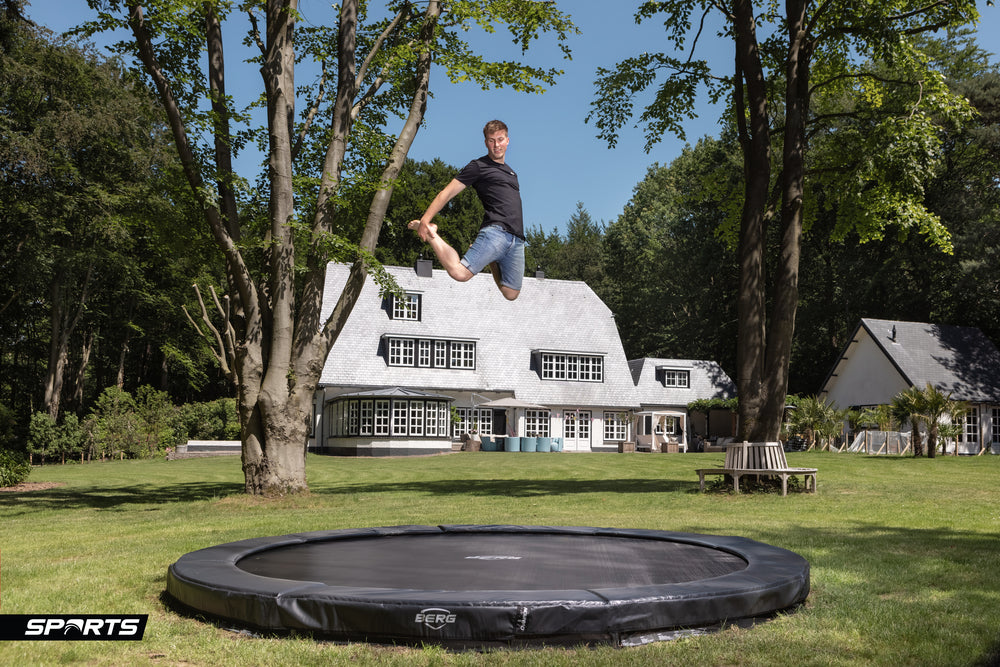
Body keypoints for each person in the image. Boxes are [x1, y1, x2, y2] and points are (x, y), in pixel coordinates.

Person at [408, 120, 525, 300]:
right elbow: (446, 193)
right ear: (486, 143)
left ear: (507, 141)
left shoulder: (511, 173)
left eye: (500, 140)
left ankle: (492, 260)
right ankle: (432, 234)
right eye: (492, 141)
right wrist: (425, 219)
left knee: (511, 293)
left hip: (516, 239)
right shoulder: (478, 166)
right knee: (459, 273)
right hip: (496, 233)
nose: (496, 145)